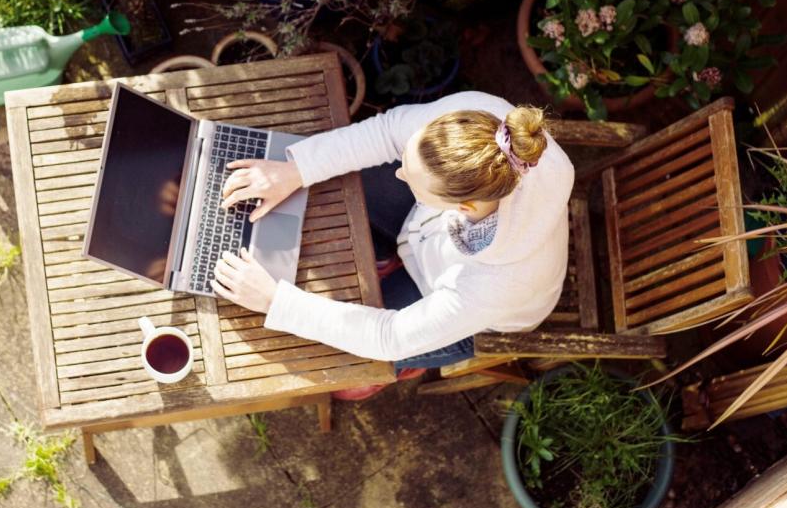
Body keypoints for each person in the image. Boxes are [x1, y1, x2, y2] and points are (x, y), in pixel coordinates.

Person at [211, 91, 575, 400]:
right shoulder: (478, 123)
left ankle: (414, 356)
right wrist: (295, 171)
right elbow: (387, 132)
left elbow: (391, 335)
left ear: (463, 207)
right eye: (407, 162)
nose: (399, 173)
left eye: (411, 179)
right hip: (431, 234)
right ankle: (392, 254)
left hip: (478, 315)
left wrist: (275, 301)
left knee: (343, 372)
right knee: (347, 178)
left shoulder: (497, 283)